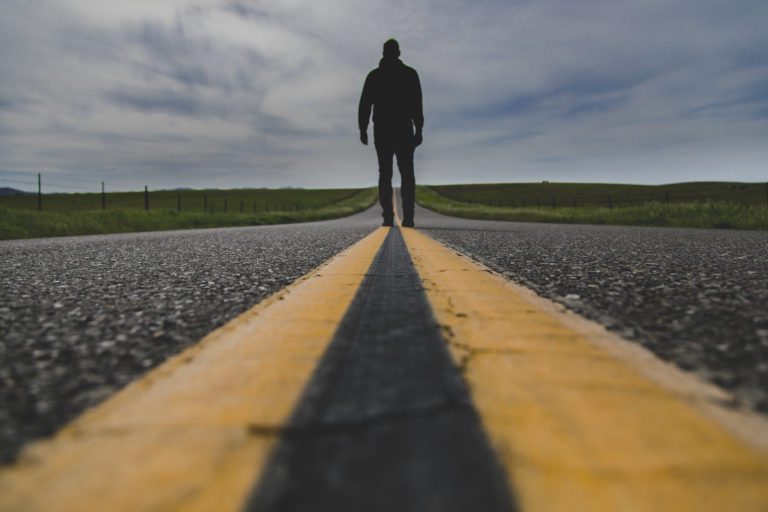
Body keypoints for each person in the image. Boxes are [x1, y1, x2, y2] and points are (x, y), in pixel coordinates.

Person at [358, 38, 423, 227]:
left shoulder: (375, 76)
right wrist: (419, 129)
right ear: (398, 53)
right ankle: (406, 216)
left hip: (385, 131)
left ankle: (389, 216)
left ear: (384, 53)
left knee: (387, 174)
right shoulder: (409, 74)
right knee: (405, 173)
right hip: (401, 130)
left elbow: (365, 105)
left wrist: (363, 128)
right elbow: (417, 105)